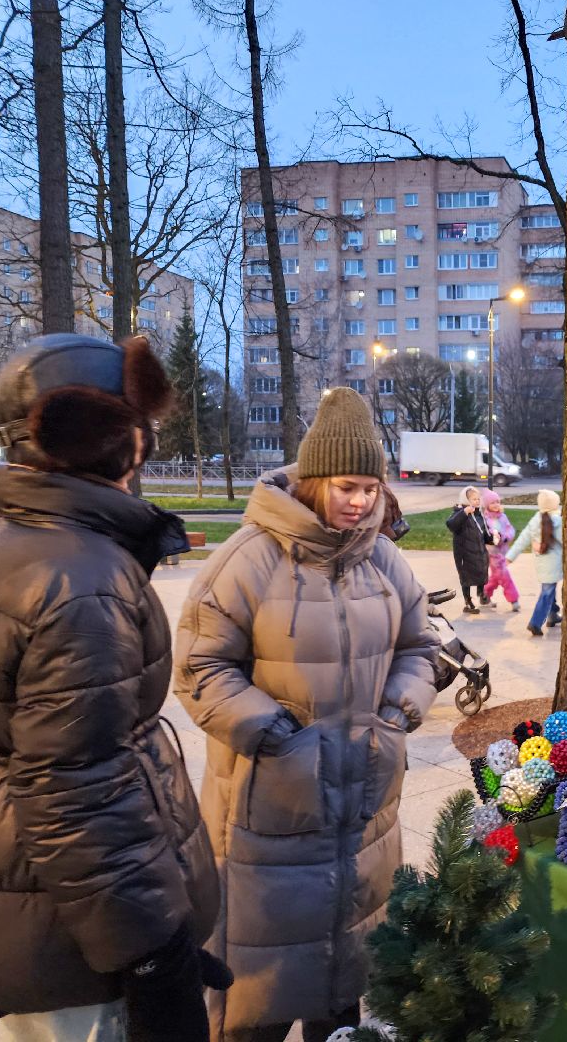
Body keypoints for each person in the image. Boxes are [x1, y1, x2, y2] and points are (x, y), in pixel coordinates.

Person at [0, 335, 226, 1040]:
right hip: (70, 925)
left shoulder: (12, 537)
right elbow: (78, 786)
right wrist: (150, 955)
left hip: (30, 881)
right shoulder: (83, 578)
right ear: (115, 439)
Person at [175, 387, 439, 1042]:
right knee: (255, 1001)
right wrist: (270, 732)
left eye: (371, 489)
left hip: (363, 816)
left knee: (341, 988)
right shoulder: (248, 560)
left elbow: (421, 646)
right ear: (316, 479)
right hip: (270, 822)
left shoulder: (385, 561)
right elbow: (199, 667)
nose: (361, 501)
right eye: (349, 486)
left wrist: (398, 712)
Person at [506, 489, 563, 637]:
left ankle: (552, 615)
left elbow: (522, 539)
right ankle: (535, 622)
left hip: (542, 563)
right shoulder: (557, 520)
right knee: (547, 592)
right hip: (554, 563)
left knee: (549, 589)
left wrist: (510, 556)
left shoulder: (535, 519)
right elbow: (565, 541)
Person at [446, 484, 494, 612]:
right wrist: (464, 513)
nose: (477, 501)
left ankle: (481, 593)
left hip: (479, 552)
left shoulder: (479, 515)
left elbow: (485, 534)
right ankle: (467, 601)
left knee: (482, 572)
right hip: (464, 553)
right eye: (474, 499)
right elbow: (451, 525)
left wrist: (494, 537)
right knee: (466, 577)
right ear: (466, 500)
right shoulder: (459, 512)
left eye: (478, 499)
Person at [481, 488, 520, 611]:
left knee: (496, 576)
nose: (496, 505)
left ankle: (485, 594)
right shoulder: (485, 519)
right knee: (504, 575)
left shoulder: (502, 517)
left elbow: (510, 529)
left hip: (502, 551)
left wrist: (506, 536)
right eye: (492, 503)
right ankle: (513, 599)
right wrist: (495, 536)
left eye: (497, 502)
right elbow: (487, 533)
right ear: (487, 505)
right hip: (492, 553)